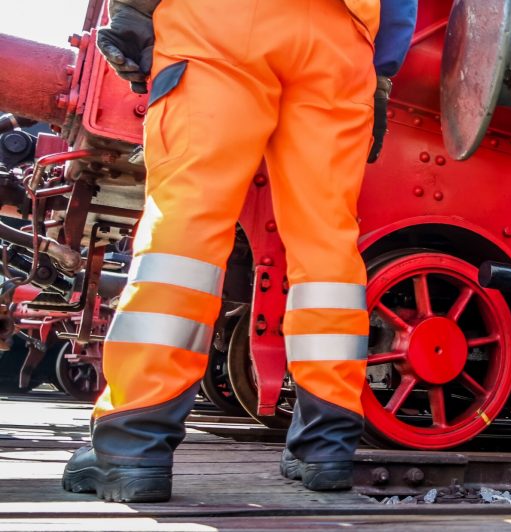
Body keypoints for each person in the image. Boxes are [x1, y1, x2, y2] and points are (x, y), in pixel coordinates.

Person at [60, 0, 417, 503]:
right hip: (341, 44)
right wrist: (378, 73)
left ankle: (133, 442)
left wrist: (133, 10)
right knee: (327, 245)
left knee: (185, 229)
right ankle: (326, 444)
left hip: (218, 23)